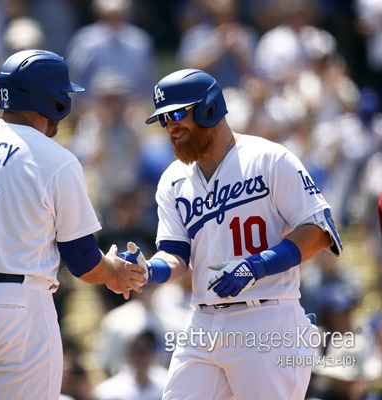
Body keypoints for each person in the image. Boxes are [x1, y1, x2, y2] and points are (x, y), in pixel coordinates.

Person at [0, 49, 146, 400]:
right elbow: (83, 260)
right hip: (17, 307)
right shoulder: (54, 158)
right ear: (50, 99)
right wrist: (114, 272)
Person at [119, 68, 343, 400]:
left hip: (267, 316)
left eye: (178, 113)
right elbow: (177, 255)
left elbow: (320, 231)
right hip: (203, 321)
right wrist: (149, 269)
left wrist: (257, 266)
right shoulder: (172, 180)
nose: (171, 125)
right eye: (163, 118)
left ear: (209, 108)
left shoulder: (268, 158)